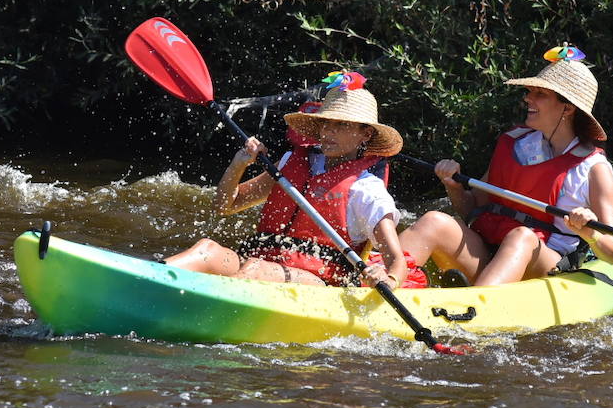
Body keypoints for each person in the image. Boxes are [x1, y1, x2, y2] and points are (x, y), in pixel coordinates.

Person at [164, 73, 428, 289]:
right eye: (326, 124)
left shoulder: (367, 190)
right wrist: (239, 164)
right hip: (261, 262)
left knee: (254, 270)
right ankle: (153, 281)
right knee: (206, 250)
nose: (329, 132)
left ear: (365, 134)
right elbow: (225, 206)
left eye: (341, 125)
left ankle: (201, 306)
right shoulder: (292, 161)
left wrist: (388, 279)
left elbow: (396, 262)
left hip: (322, 282)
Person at [398, 46, 613, 286]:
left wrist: (588, 232)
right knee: (435, 220)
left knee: (522, 237)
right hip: (490, 251)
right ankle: (379, 282)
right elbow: (471, 208)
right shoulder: (517, 144)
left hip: (543, 265)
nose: (528, 98)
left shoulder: (594, 169)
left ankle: (477, 311)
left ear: (567, 108)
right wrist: (452, 185)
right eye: (530, 91)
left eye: (540, 94)